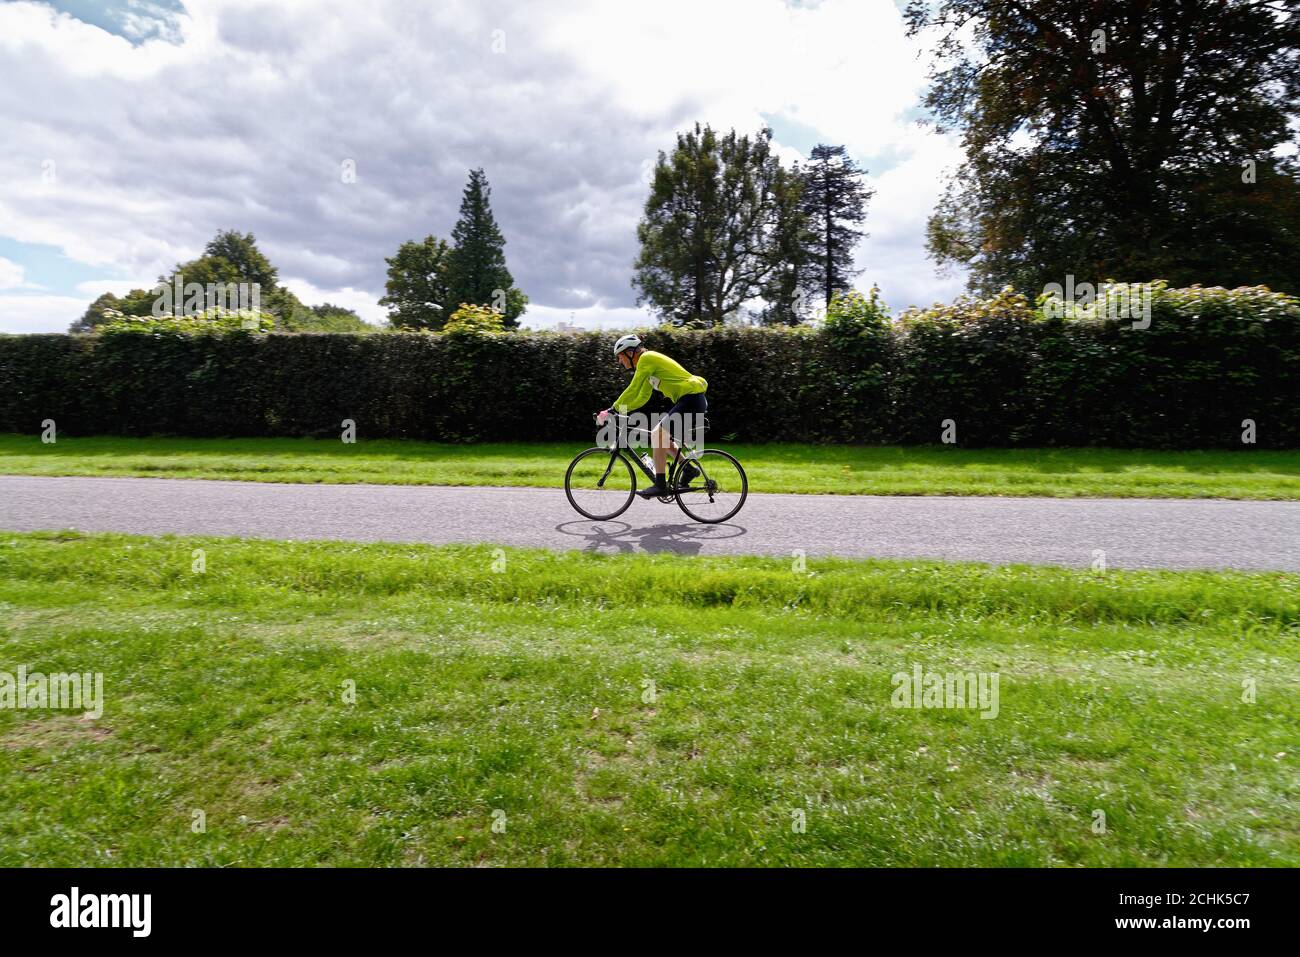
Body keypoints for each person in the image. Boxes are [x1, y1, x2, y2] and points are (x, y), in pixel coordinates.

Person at [598, 334, 707, 499]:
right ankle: (688, 469)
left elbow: (633, 388)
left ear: (630, 352)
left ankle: (660, 485)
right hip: (691, 400)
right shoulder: (647, 367)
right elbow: (642, 397)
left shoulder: (646, 358)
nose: (620, 362)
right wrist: (620, 411)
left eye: (620, 357)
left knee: (657, 434)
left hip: (691, 399)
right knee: (662, 438)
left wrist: (612, 409)